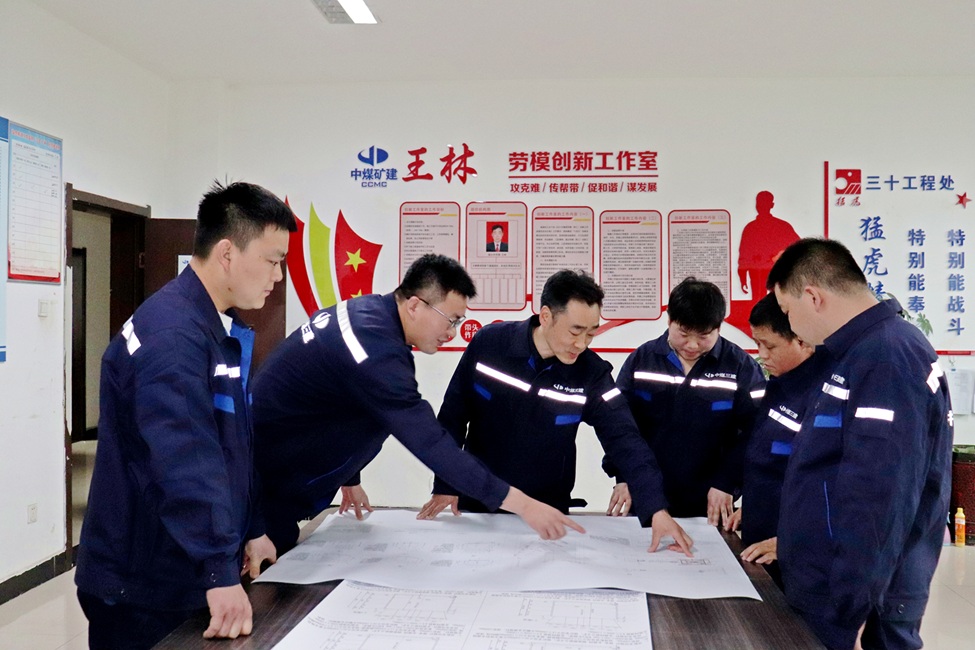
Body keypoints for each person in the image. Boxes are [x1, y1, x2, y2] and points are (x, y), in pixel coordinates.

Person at [74, 181, 297, 649]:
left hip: (177, 563)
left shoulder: (210, 326)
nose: (278, 277)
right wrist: (218, 570)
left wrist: (253, 528)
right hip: (142, 583)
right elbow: (185, 463)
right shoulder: (173, 337)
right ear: (227, 253)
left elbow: (232, 447)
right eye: (273, 261)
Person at [252, 254, 584, 554]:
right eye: (450, 319)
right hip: (257, 497)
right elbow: (430, 442)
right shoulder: (376, 352)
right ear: (415, 305)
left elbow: (343, 403)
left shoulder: (369, 316)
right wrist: (524, 505)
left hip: (267, 482)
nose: (452, 333)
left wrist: (349, 477)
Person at [417, 270, 694, 555]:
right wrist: (447, 483)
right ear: (546, 316)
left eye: (591, 333)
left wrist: (656, 509)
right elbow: (453, 416)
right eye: (575, 331)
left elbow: (626, 440)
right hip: (479, 502)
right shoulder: (490, 345)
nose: (582, 343)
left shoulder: (592, 374)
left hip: (546, 512)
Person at [768, 238, 952, 650]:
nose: (790, 325)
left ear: (812, 297)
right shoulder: (863, 351)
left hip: (858, 599)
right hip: (840, 585)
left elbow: (879, 492)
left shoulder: (887, 357)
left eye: (787, 310)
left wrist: (853, 607)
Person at [609, 277, 765, 527]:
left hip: (713, 500)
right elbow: (619, 426)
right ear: (669, 320)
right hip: (646, 495)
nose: (692, 345)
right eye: (683, 333)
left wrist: (728, 482)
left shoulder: (740, 367)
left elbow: (756, 431)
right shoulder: (642, 361)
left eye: (703, 335)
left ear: (719, 328)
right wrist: (625, 476)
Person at [734, 293, 818, 586]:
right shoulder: (780, 382)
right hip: (763, 534)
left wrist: (791, 541)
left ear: (803, 342)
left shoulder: (822, 395)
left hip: (795, 550)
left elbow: (824, 485)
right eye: (757, 344)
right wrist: (752, 506)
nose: (762, 355)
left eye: (769, 346)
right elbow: (765, 452)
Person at [738, 190, 800, 298]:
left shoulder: (781, 226)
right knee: (760, 299)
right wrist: (742, 277)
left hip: (775, 270)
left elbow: (799, 247)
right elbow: (744, 254)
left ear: (771, 205)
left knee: (773, 300)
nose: (761, 206)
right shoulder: (751, 228)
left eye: (764, 203)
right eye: (760, 203)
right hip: (757, 271)